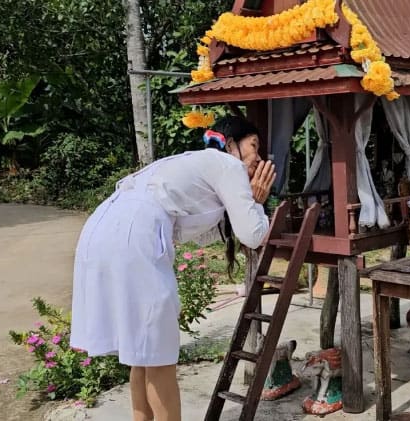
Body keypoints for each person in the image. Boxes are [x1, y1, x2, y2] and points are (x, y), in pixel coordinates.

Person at [69, 115, 276, 421]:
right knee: (158, 355)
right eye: (253, 146)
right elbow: (253, 235)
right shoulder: (228, 165)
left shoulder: (191, 163)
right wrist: (258, 201)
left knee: (142, 354)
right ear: (231, 144)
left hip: (102, 226)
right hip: (134, 234)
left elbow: (200, 232)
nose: (257, 158)